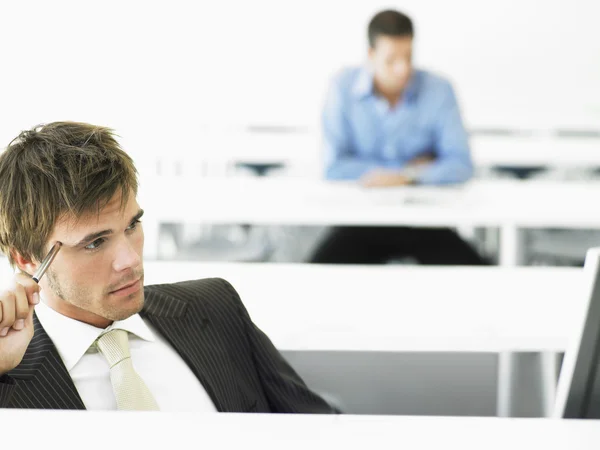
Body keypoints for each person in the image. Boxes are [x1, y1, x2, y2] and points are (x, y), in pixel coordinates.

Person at [0, 121, 335, 413]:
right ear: (27, 258)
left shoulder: (216, 307)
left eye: (132, 225)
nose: (130, 259)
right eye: (95, 243)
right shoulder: (9, 371)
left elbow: (319, 430)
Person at [310, 9, 486, 265]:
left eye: (408, 57)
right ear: (371, 55)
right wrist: (414, 169)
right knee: (319, 270)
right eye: (391, 60)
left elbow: (460, 165)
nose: (403, 69)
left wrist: (404, 176)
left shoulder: (439, 90)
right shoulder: (342, 88)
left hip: (425, 221)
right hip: (362, 220)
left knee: (478, 272)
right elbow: (332, 166)